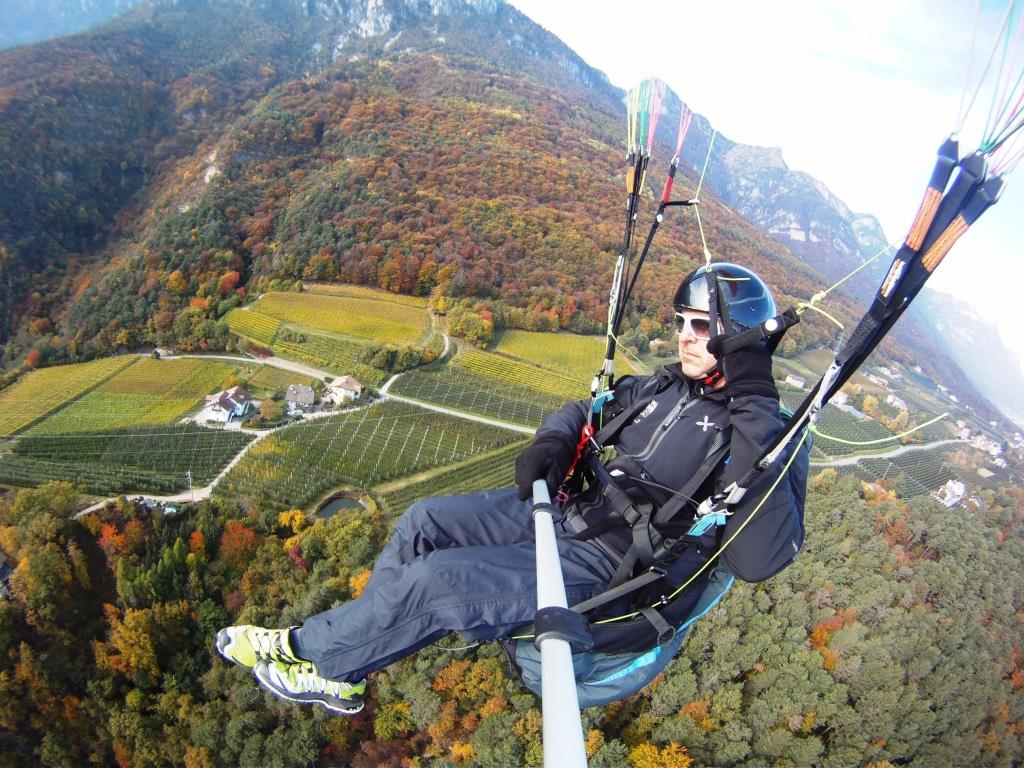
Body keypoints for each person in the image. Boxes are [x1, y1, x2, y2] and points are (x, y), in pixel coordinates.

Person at [216, 262, 808, 714]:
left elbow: (759, 557)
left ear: (744, 341)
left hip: (611, 566)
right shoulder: (664, 388)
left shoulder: (767, 436)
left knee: (437, 583)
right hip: (568, 510)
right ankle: (346, 661)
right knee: (423, 521)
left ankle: (308, 651)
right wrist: (554, 442)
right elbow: (588, 409)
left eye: (700, 326)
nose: (682, 336)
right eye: (680, 321)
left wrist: (755, 399)